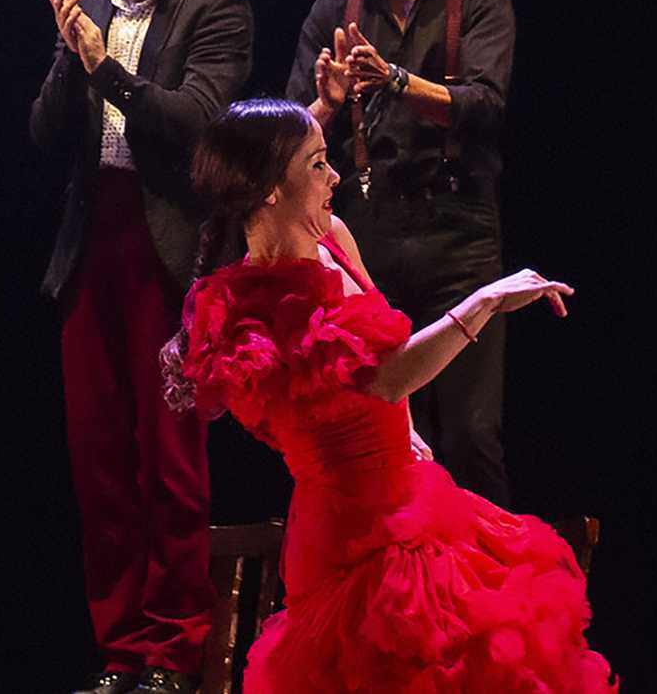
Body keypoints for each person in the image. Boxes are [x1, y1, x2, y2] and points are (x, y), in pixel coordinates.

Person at [163, 98, 612, 693]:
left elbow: (374, 346)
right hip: (356, 540)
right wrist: (484, 301)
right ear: (271, 190)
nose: (335, 177)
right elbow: (385, 376)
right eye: (318, 164)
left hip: (412, 499)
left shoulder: (335, 239)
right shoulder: (256, 308)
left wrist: (404, 430)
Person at [30, 0, 254, 694]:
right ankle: (121, 650)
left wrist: (106, 69)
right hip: (94, 244)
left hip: (170, 243)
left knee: (171, 457)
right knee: (99, 459)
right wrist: (68, 55)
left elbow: (194, 121)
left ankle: (173, 650)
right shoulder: (85, 13)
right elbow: (46, 134)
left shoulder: (217, 6)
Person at [284, 0, 517, 505]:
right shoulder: (333, 9)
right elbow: (290, 140)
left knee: (472, 433)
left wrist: (395, 80)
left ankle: (492, 596)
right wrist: (324, 105)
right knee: (375, 430)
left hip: (459, 233)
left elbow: (486, 105)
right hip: (368, 233)